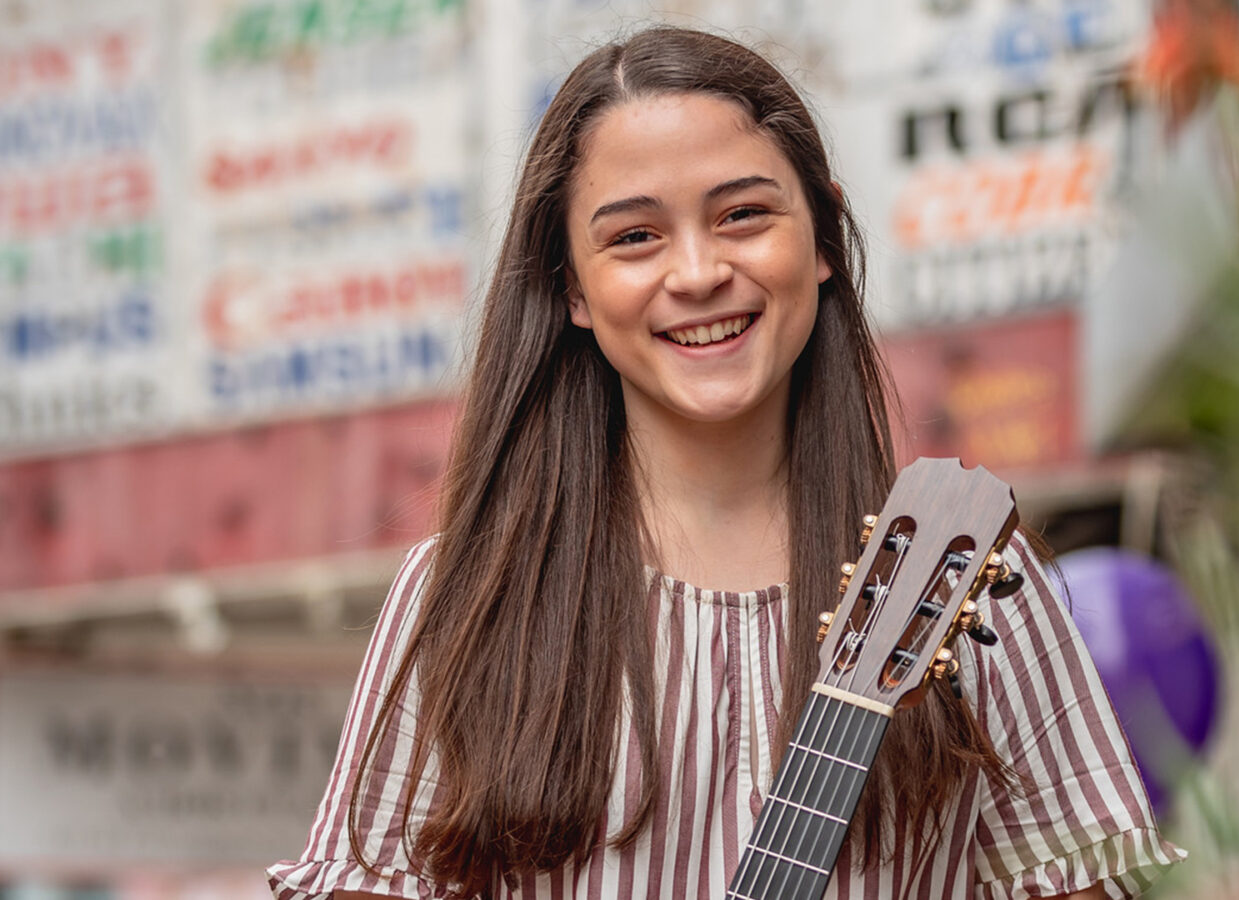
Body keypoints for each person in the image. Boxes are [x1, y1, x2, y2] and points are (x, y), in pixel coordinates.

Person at [266, 27, 1183, 900]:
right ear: (572, 290)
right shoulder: (469, 595)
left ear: (821, 239)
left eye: (743, 215)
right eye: (635, 237)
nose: (698, 271)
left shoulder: (967, 578)